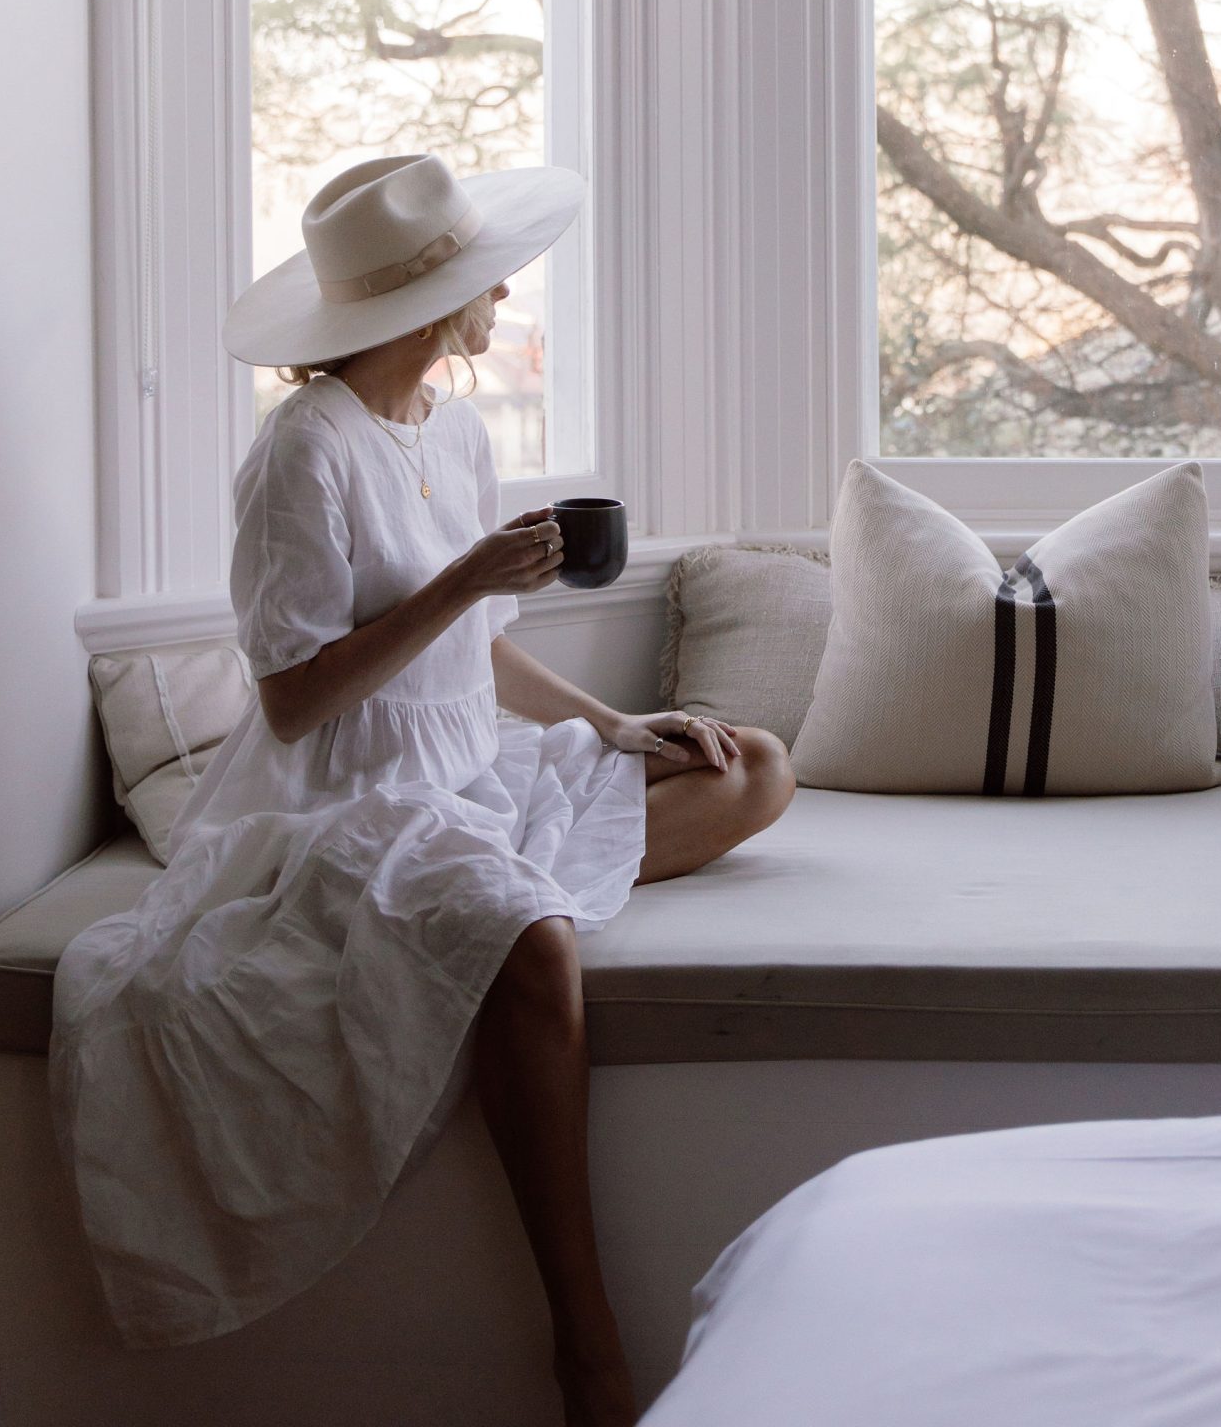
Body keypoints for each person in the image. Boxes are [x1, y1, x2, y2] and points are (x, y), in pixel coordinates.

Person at [52, 153, 793, 1427]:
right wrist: (466, 579)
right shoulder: (301, 451)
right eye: (476, 279)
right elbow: (293, 698)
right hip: (349, 799)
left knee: (752, 764)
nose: (501, 293)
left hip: (466, 766)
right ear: (415, 303)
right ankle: (586, 1335)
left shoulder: (452, 423)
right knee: (538, 943)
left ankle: (458, 932)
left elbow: (468, 648)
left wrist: (617, 724)